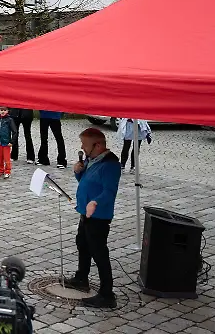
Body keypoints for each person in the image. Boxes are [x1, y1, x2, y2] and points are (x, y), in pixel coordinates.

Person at [64, 127, 121, 308]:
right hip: (86, 213)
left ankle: (107, 294)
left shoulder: (110, 165)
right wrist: (78, 171)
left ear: (97, 145)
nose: (82, 147)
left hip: (99, 217)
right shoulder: (92, 160)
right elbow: (85, 182)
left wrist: (95, 202)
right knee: (82, 243)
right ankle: (82, 278)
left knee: (99, 253)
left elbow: (109, 192)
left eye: (84, 144)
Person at [0, 107, 18, 179]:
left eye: (4, 110)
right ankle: (0, 171)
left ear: (8, 111)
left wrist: (12, 141)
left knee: (6, 158)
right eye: (1, 110)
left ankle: (7, 171)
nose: (3, 112)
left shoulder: (10, 120)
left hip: (6, 143)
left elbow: (15, 131)